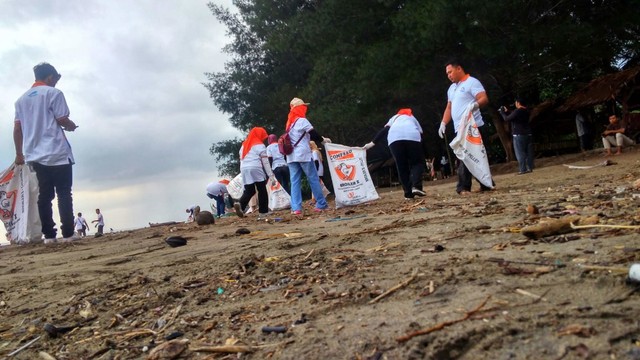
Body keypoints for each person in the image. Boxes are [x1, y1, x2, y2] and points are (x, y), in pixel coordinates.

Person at [13, 62, 79, 244]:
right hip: (57, 151)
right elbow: (62, 119)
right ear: (50, 77)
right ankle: (68, 234)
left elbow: (17, 129)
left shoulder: (20, 100)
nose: (56, 83)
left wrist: (19, 154)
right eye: (56, 79)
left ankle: (49, 236)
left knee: (45, 195)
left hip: (34, 154)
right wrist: (71, 126)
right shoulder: (54, 93)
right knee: (64, 193)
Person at [438, 60, 494, 195]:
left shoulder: (472, 82)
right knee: (467, 156)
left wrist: (475, 105)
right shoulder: (451, 89)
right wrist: (443, 123)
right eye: (447, 74)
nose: (449, 76)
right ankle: (485, 184)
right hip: (460, 129)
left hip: (474, 127)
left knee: (470, 156)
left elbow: (483, 98)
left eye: (450, 72)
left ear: (459, 69)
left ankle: (464, 187)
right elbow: (449, 107)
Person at [363, 108, 426, 199]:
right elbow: (421, 132)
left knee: (401, 166)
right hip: (412, 138)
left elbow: (384, 130)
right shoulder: (412, 117)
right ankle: (416, 186)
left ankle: (408, 193)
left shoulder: (394, 118)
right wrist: (423, 150)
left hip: (394, 139)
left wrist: (372, 143)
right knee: (417, 163)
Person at [285, 97, 331, 214]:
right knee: (313, 178)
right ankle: (321, 204)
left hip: (291, 156)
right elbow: (313, 133)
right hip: (303, 154)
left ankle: (296, 208)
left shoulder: (289, 123)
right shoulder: (302, 121)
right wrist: (323, 140)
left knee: (294, 181)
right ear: (300, 108)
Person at [234, 127, 275, 218]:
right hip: (255, 167)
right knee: (262, 189)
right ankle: (263, 212)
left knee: (249, 190)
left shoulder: (244, 145)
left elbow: (241, 160)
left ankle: (241, 205)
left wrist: (242, 174)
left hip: (244, 168)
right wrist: (271, 176)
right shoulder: (260, 145)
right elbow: (265, 162)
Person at [498, 98, 534, 174]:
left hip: (519, 134)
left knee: (520, 152)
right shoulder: (527, 111)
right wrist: (507, 111)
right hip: (528, 133)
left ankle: (523, 169)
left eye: (516, 103)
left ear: (518, 103)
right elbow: (514, 116)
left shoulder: (517, 111)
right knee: (528, 152)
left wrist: (502, 113)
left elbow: (507, 119)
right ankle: (529, 168)